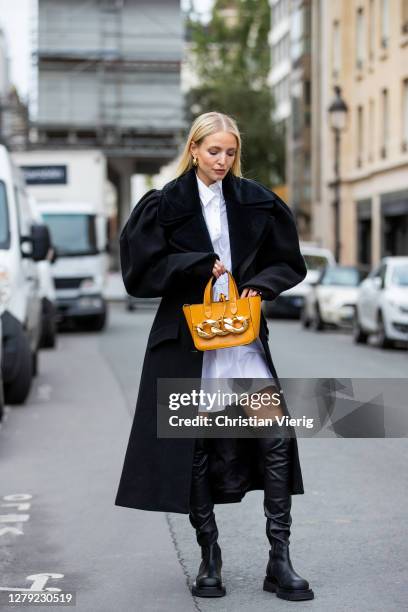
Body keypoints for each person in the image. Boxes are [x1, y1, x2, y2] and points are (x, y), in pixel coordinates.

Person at [115, 111, 314, 601]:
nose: (222, 161)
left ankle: (280, 561)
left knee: (275, 442)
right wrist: (197, 264)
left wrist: (257, 286)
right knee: (197, 450)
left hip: (242, 343)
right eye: (213, 151)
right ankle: (210, 557)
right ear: (194, 149)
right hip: (188, 345)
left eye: (229, 152)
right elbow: (139, 274)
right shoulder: (163, 205)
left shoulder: (257, 201)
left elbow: (288, 263)